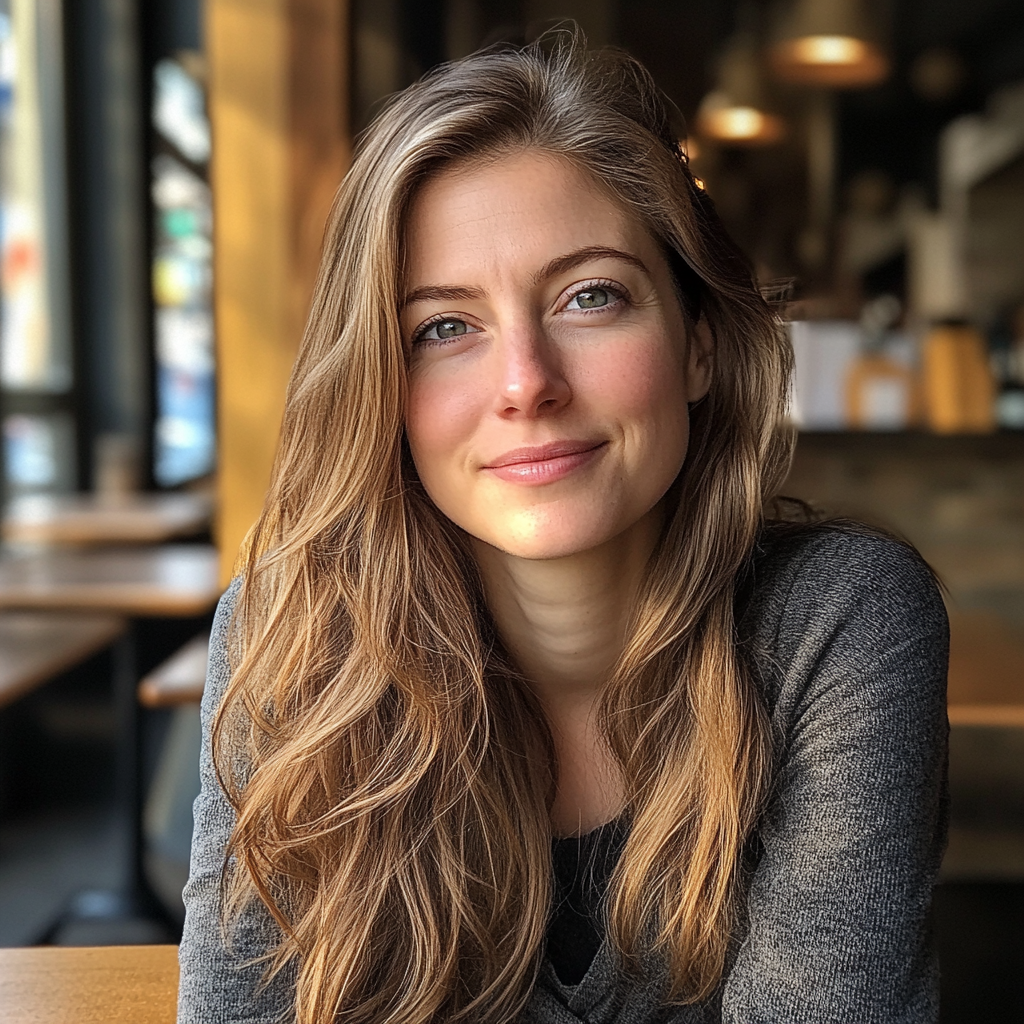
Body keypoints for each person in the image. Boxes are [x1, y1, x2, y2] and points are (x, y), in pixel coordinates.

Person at [177, 34, 948, 1024]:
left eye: (591, 296)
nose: (525, 382)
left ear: (698, 344)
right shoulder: (293, 636)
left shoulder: (838, 623)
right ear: (385, 389)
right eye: (443, 328)